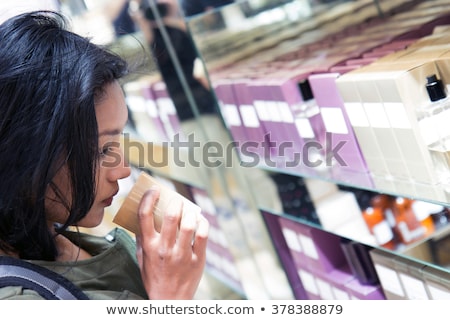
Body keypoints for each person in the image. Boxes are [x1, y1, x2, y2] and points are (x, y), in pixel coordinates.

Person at [0, 10, 209, 300]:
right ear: (25, 153)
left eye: (118, 141)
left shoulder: (48, 233)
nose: (123, 169)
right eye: (102, 150)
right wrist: (171, 298)